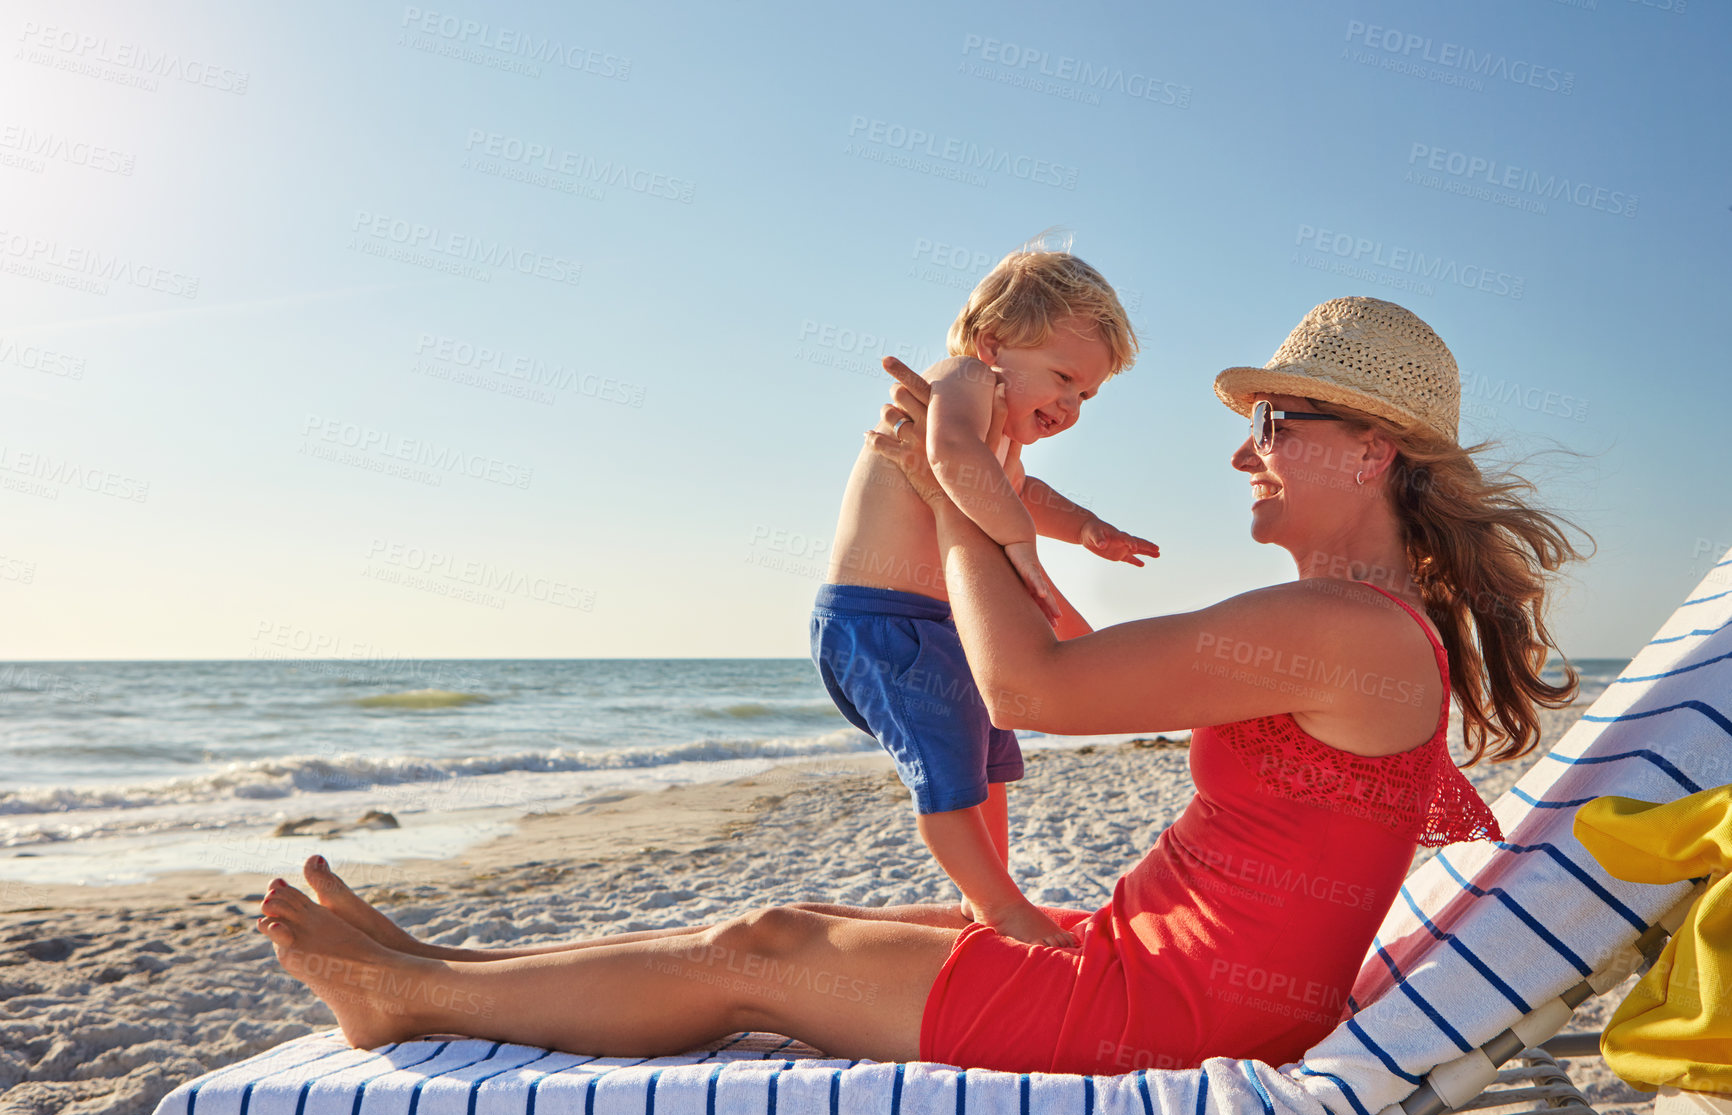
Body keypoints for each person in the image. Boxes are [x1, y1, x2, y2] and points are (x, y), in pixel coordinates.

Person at [257, 296, 1589, 1075]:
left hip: (1174, 1007)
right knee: (807, 910)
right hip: (1166, 956)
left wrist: (954, 482)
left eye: (1274, 425)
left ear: (1369, 453)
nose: (1247, 453)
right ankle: (440, 964)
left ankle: (410, 999)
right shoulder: (1353, 621)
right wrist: (986, 497)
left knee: (763, 958)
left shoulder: (1334, 626)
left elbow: (1028, 685)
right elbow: (1075, 653)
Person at [814, 243, 1157, 949]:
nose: (1069, 404)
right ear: (991, 343)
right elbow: (953, 459)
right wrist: (1018, 545)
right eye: (1063, 377)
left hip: (943, 625)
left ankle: (989, 896)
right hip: (881, 622)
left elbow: (1019, 491)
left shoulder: (999, 432)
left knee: (986, 766)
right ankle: (999, 908)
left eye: (1085, 395)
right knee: (946, 776)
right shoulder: (960, 380)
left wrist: (1087, 527)